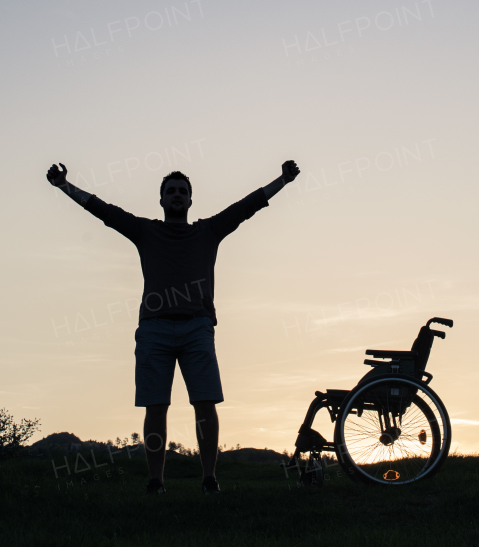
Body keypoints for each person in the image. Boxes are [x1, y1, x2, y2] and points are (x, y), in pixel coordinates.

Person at [46, 158, 299, 495]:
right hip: (154, 330)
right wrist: (65, 186)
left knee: (205, 403)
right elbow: (104, 211)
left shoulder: (207, 231)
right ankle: (156, 482)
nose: (177, 195)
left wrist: (281, 180)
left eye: (183, 191)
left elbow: (246, 207)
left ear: (191, 200)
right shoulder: (145, 231)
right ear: (162, 200)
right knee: (156, 406)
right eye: (171, 191)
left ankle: (209, 479)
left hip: (197, 328)